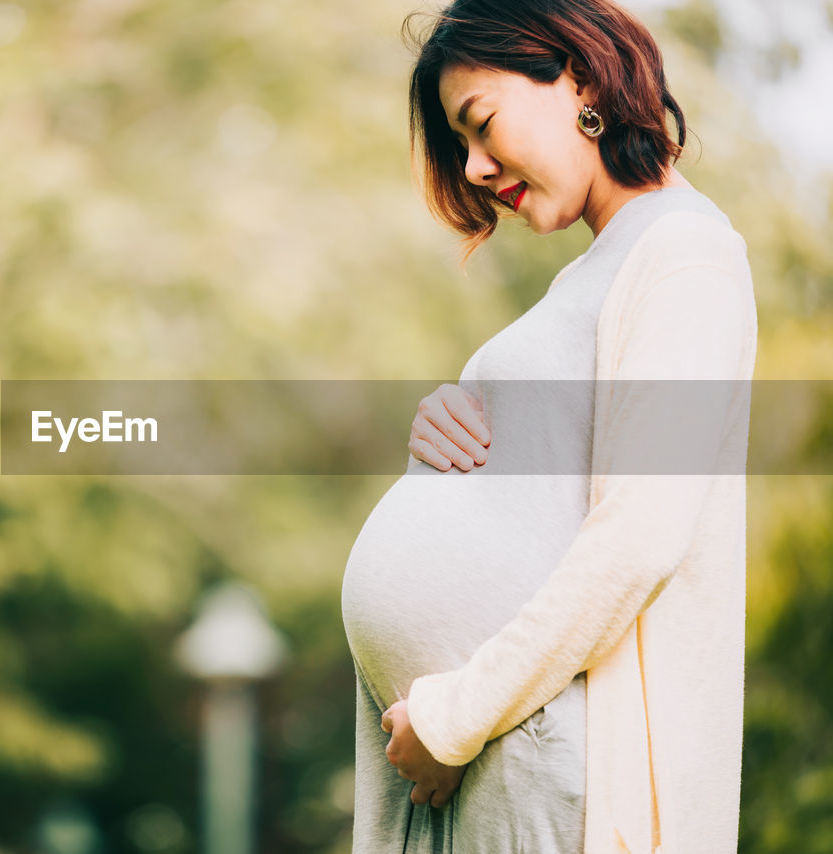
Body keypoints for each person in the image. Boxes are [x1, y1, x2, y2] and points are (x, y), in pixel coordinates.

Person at [340, 0, 757, 852]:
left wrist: (454, 718)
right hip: (495, 758)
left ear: (580, 76)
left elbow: (641, 536)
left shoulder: (685, 253)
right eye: (464, 147)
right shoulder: (601, 268)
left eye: (481, 125)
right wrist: (451, 420)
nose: (478, 167)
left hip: (541, 758)